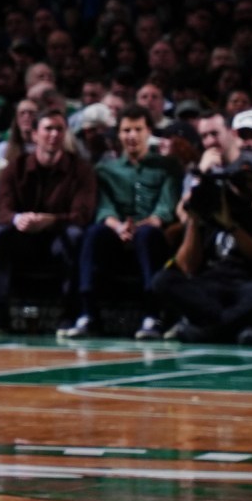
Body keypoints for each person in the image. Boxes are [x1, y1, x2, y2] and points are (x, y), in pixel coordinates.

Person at [156, 131, 252, 343]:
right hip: (211, 287)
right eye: (239, 180)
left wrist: (231, 227)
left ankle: (210, 330)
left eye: (250, 180)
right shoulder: (212, 213)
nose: (245, 186)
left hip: (248, 286)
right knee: (163, 279)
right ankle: (234, 326)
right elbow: (187, 266)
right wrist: (194, 219)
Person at [0, 111, 95, 337]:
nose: (54, 134)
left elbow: (82, 214)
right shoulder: (15, 167)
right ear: (34, 135)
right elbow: (2, 210)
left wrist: (50, 221)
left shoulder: (81, 168)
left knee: (75, 236)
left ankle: (69, 315)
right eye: (48, 129)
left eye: (59, 129)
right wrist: (18, 219)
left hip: (58, 236)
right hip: (23, 237)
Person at [69, 110, 175, 338]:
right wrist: (118, 227)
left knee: (147, 235)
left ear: (149, 132)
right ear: (119, 134)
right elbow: (104, 208)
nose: (132, 135)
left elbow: (165, 209)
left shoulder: (166, 167)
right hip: (117, 233)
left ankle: (152, 315)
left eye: (138, 129)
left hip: (151, 234)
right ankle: (88, 314)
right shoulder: (105, 170)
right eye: (127, 130)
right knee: (93, 234)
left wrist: (144, 225)